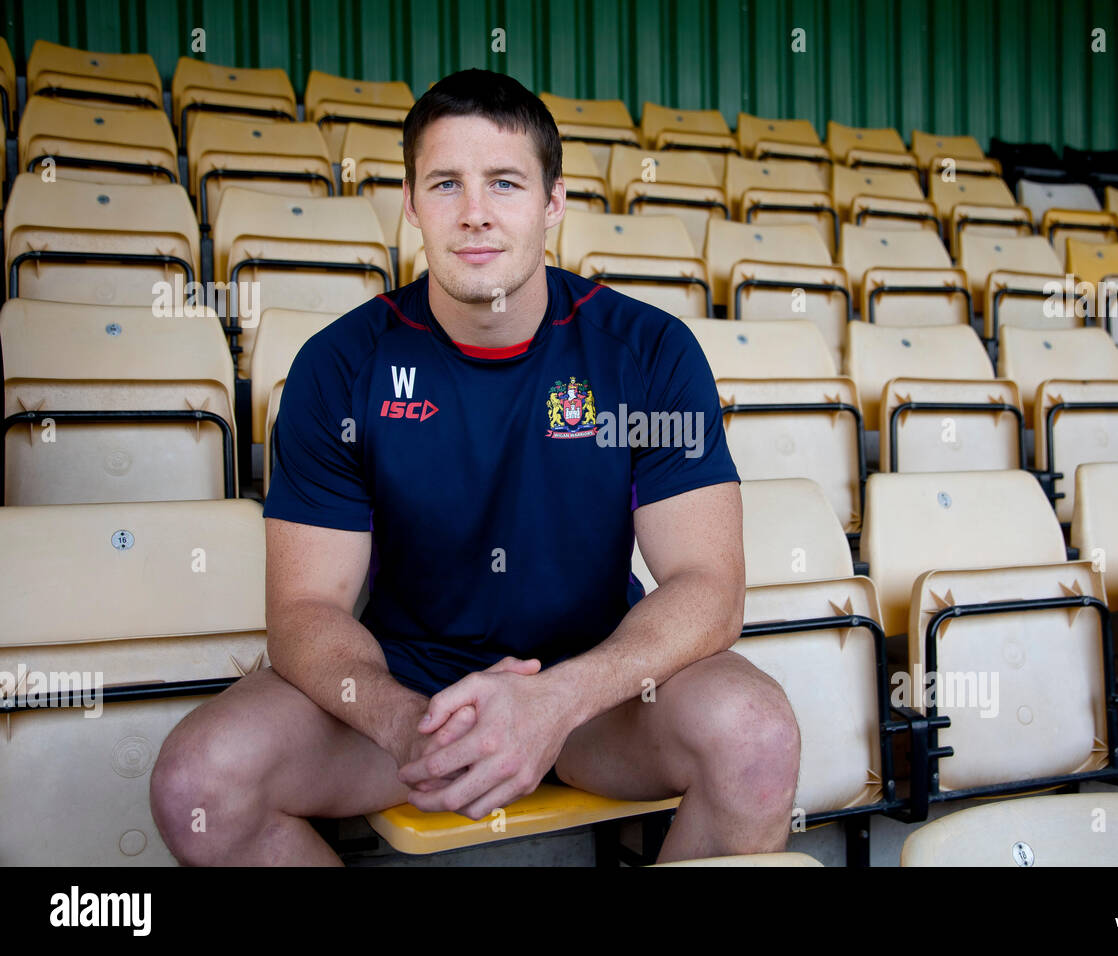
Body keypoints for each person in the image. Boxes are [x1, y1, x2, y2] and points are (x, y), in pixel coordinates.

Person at [150, 68, 800, 866]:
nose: (475, 213)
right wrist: (405, 723)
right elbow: (304, 611)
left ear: (553, 203)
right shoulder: (337, 368)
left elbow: (710, 586)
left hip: (597, 699)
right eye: (445, 184)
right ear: (412, 203)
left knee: (757, 735)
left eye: (505, 182)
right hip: (407, 698)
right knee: (198, 784)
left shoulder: (649, 352)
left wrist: (554, 701)